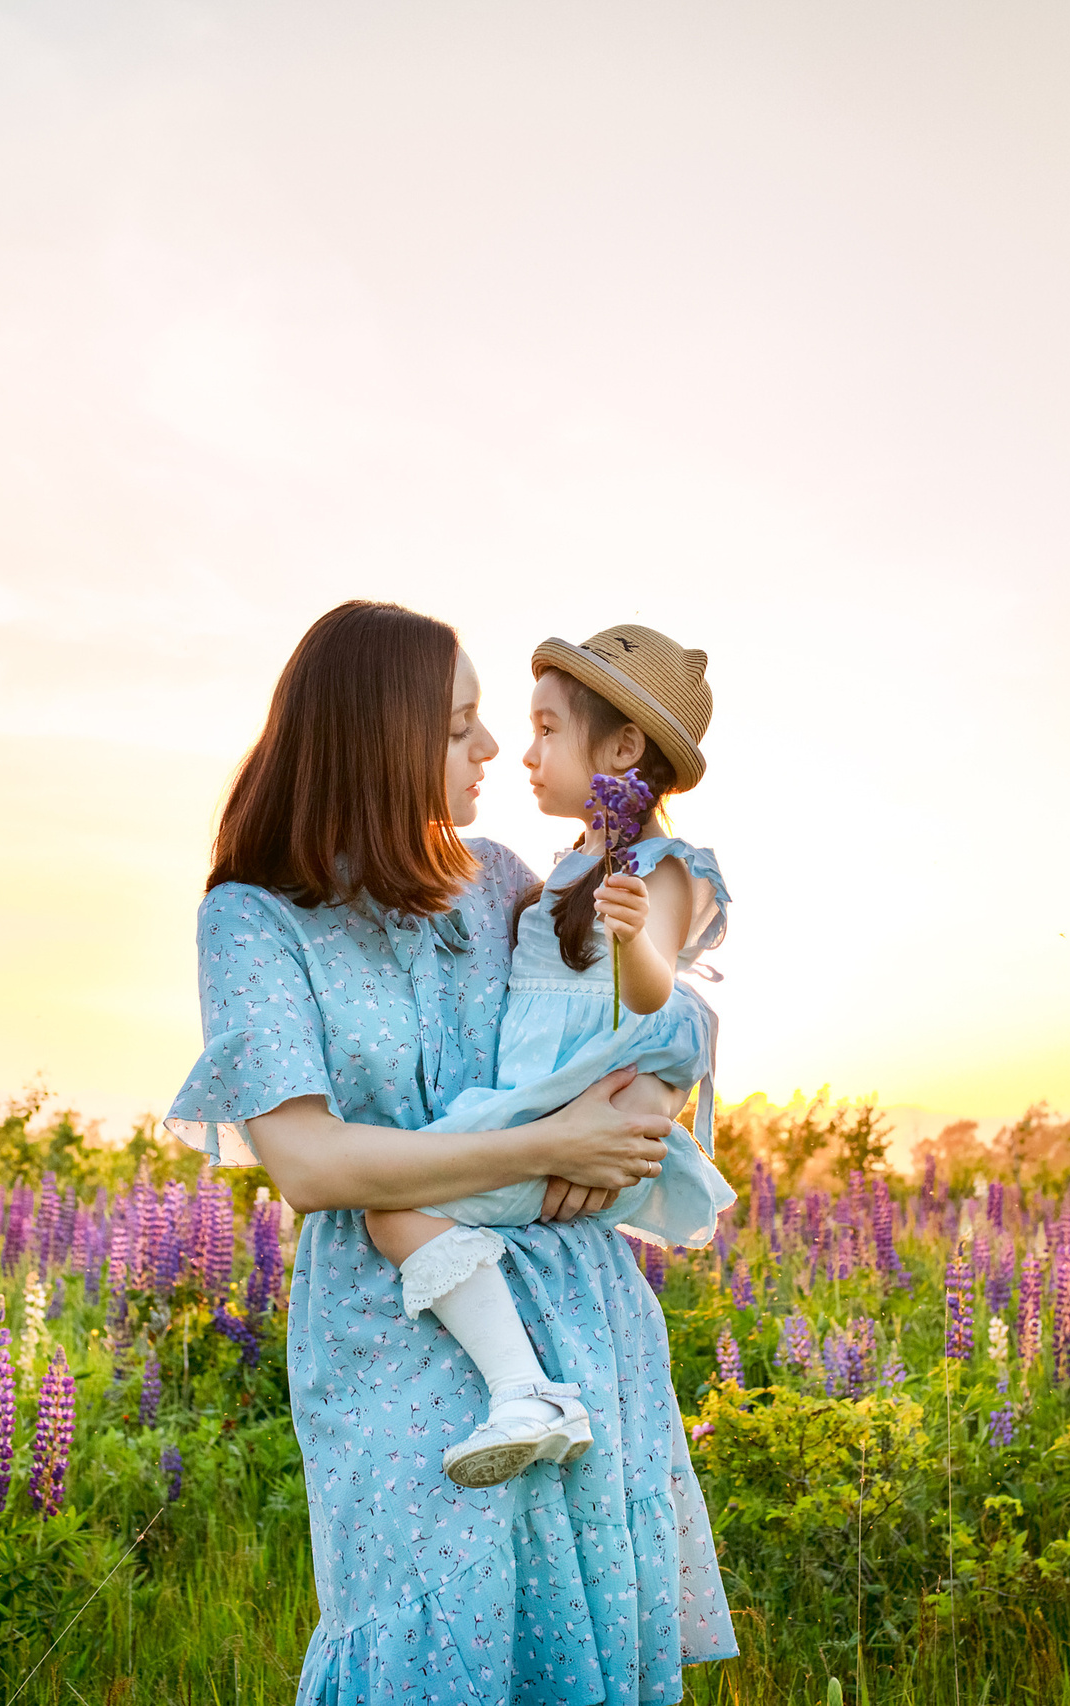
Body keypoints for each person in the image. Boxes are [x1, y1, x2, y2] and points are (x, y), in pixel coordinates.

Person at [166, 600, 737, 1700]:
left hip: (576, 1305)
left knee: (571, 1629)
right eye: (459, 726)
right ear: (376, 739)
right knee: (425, 1635)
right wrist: (554, 1141)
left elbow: (653, 1008)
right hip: (392, 1326)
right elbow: (308, 1164)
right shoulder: (252, 918)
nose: (492, 748)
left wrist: (639, 1114)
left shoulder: (500, 879)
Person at [365, 624, 735, 1488]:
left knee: (393, 1206)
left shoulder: (662, 868)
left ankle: (525, 1392)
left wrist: (635, 937)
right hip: (538, 1115)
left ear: (624, 749)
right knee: (403, 1202)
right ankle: (529, 1389)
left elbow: (654, 995)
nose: (523, 753)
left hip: (577, 1120)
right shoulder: (568, 868)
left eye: (547, 730)